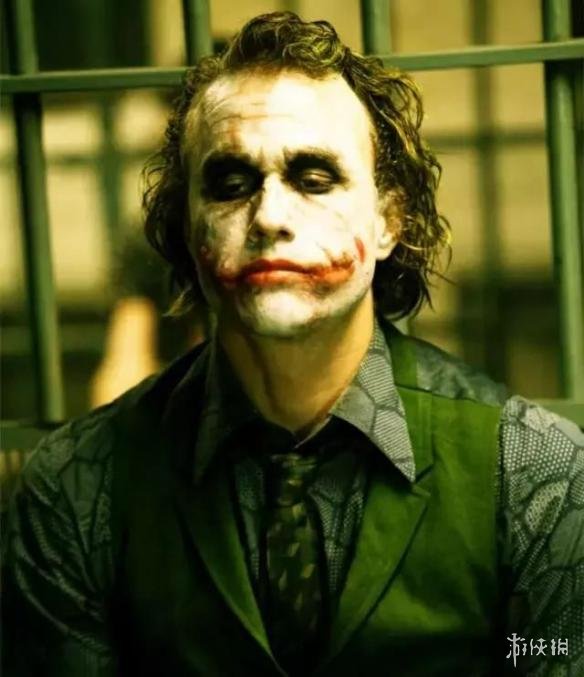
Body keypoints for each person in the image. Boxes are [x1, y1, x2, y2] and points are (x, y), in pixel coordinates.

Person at [3, 12, 583, 677]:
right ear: (186, 226)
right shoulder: (77, 490)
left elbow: (549, 654)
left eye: (314, 179)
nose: (271, 217)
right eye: (230, 184)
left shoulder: (533, 471)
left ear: (389, 219)